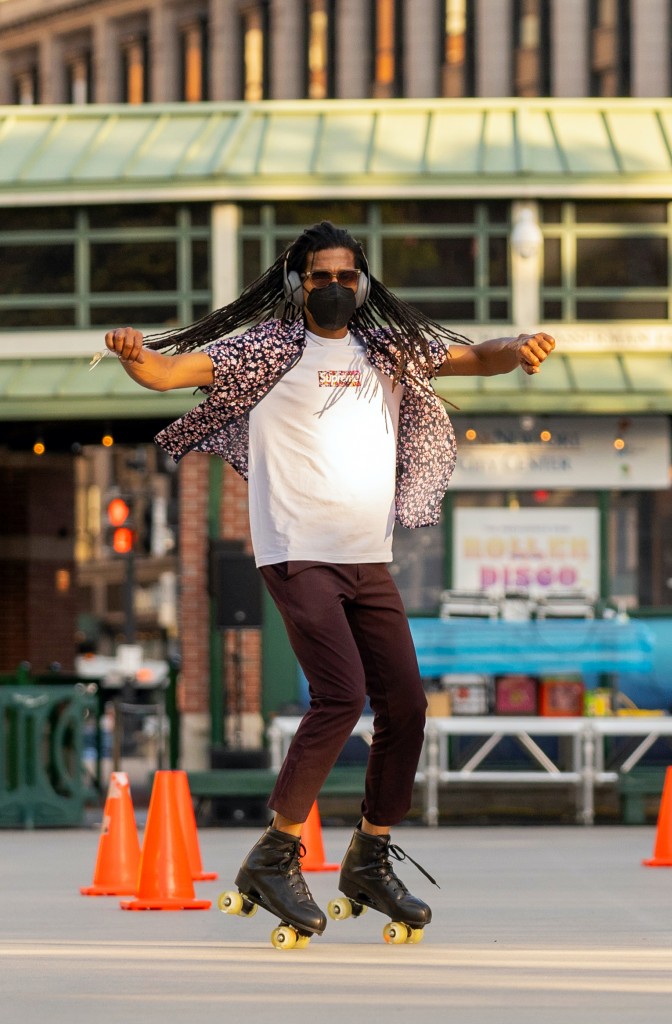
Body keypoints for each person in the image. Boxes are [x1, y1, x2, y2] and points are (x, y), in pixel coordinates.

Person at [103, 220, 555, 942]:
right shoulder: (265, 351)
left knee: (405, 703)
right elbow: (167, 373)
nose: (337, 288)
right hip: (296, 551)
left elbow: (476, 357)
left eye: (349, 277)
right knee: (341, 694)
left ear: (364, 284)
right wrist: (136, 356)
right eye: (322, 277)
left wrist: (519, 347)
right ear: (297, 282)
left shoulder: (388, 351)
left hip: (366, 558)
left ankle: (369, 856)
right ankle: (275, 853)